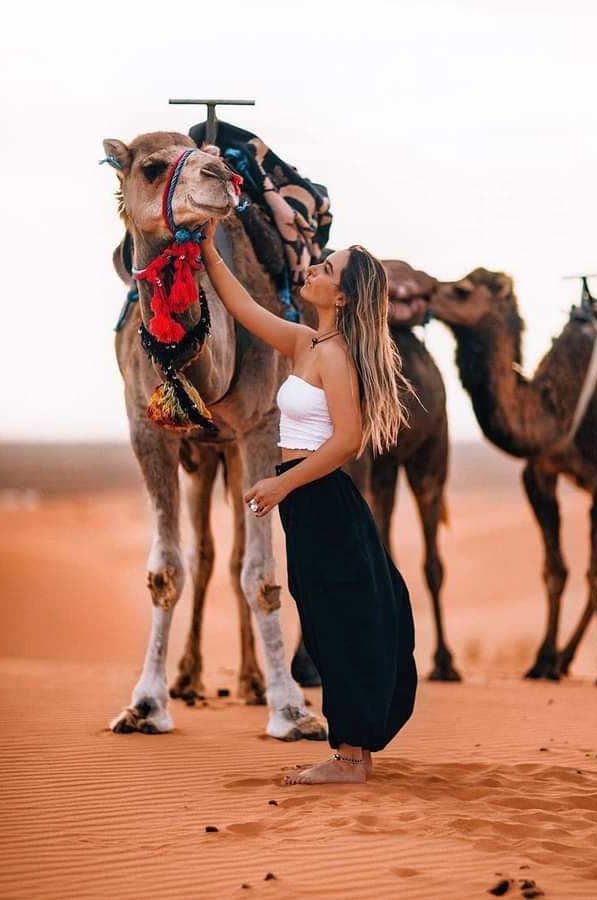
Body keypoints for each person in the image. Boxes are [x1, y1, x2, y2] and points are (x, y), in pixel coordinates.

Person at [201, 223, 418, 785]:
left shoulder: (337, 356)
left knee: (334, 622)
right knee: (326, 620)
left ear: (342, 296)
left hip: (319, 497)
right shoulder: (306, 343)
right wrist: (205, 247)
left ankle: (348, 760)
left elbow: (346, 440)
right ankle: (355, 751)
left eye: (328, 268)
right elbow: (242, 306)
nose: (315, 269)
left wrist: (282, 485)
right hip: (309, 500)